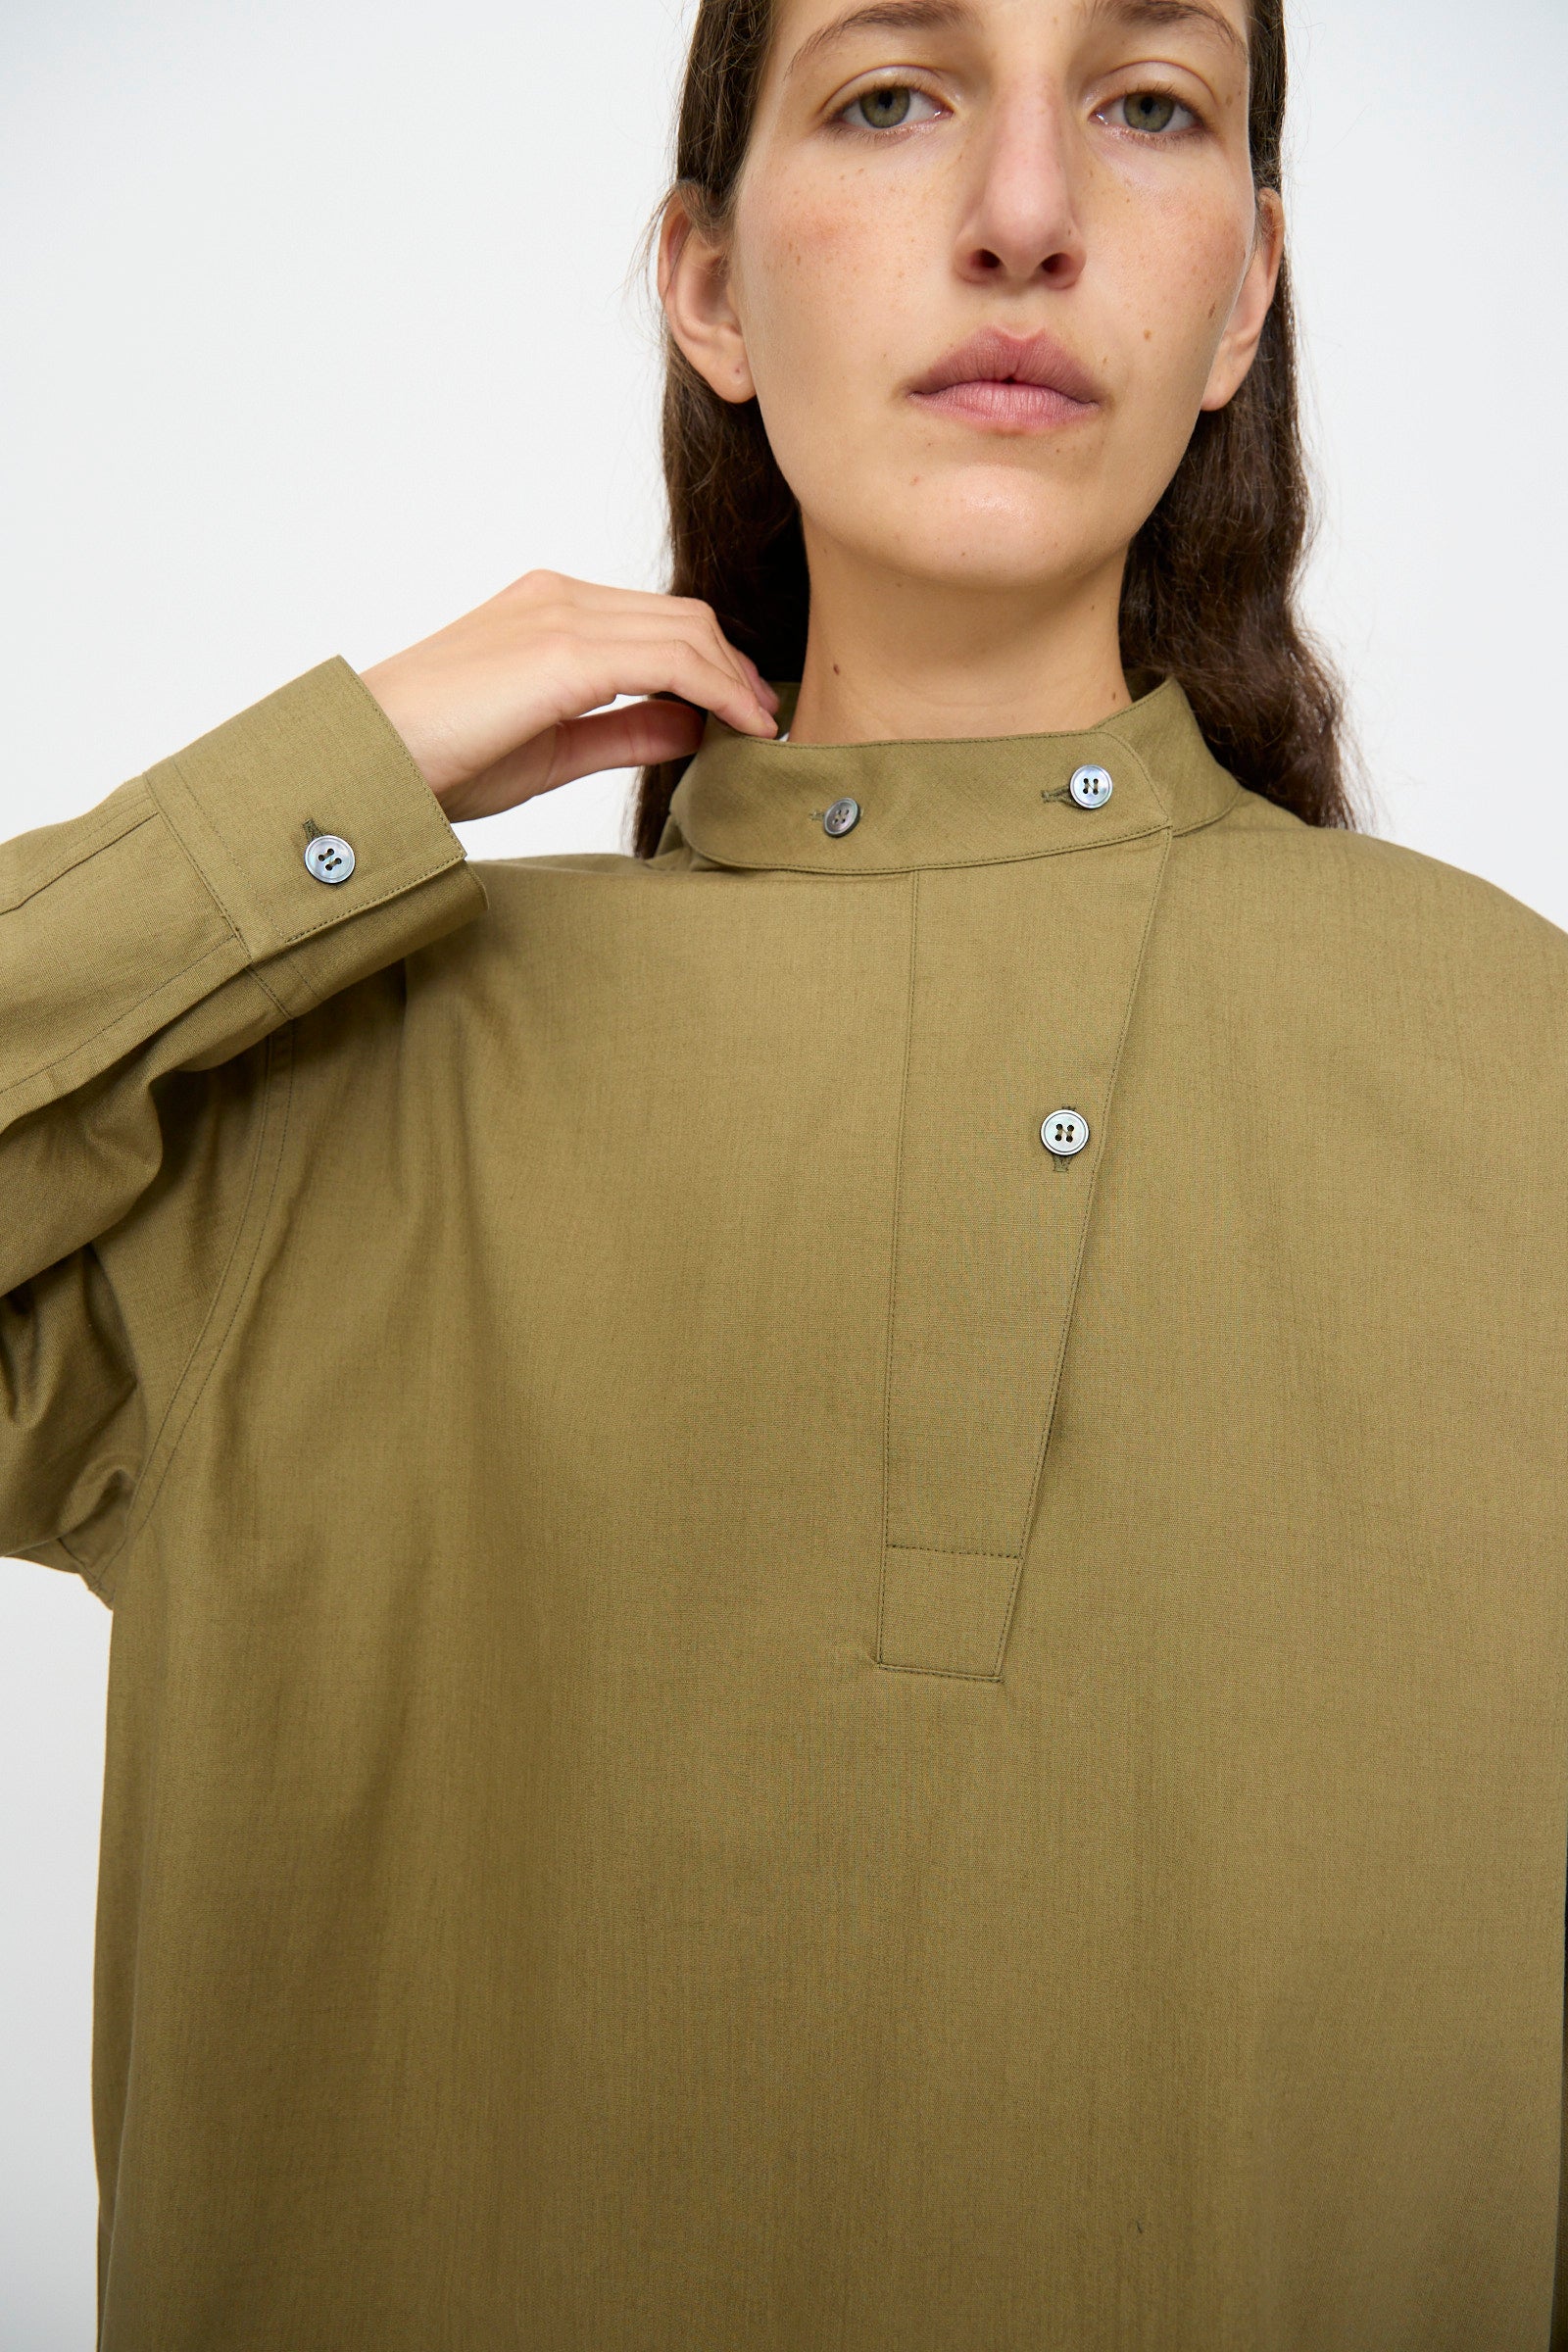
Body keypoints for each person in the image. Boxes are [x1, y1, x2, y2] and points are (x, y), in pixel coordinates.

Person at [3, 0, 1565, 2344]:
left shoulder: (1516, 1065)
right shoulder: (308, 1091)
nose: (1021, 216)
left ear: (1240, 291)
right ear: (708, 283)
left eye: (1143, 108)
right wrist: (329, 781)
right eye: (891, 95)